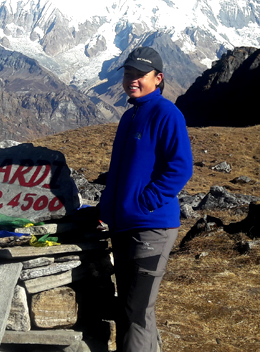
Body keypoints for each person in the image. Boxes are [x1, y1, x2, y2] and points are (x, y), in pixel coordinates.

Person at [98, 46, 193, 352]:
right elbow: (121, 172)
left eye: (140, 75)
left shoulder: (167, 113)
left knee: (136, 309)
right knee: (132, 307)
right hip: (125, 225)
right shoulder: (129, 116)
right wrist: (105, 208)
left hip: (152, 228)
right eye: (128, 74)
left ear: (158, 78)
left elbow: (180, 167)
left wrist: (145, 202)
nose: (132, 80)